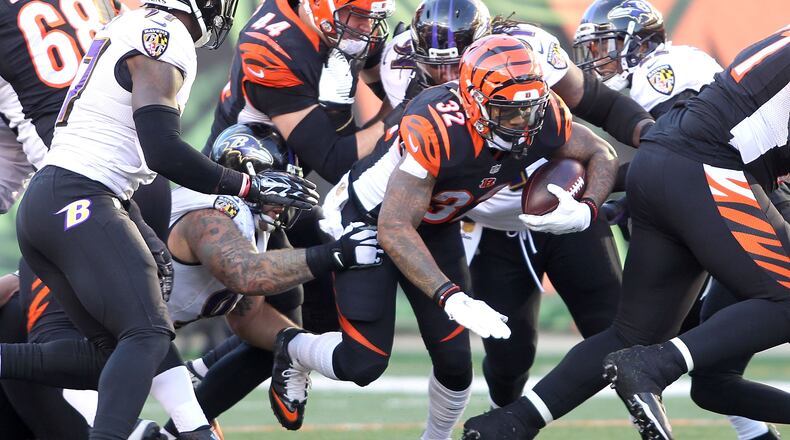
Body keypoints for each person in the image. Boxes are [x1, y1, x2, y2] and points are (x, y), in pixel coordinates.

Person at [268, 34, 618, 440]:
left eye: (530, 108)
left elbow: (600, 152)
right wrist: (451, 296)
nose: (524, 124)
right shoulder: (436, 126)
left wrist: (587, 208)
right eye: (509, 112)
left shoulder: (544, 113)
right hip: (366, 222)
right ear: (473, 103)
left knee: (455, 363)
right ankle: (293, 348)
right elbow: (394, 227)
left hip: (435, 223)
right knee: (363, 364)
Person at [3, 2, 319, 439]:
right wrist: (249, 186)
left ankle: (193, 431)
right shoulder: (163, 33)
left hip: (69, 198)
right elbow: (163, 150)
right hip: (81, 196)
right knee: (147, 333)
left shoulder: (131, 24)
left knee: (113, 351)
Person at [461, 25, 790, 440]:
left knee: (633, 333)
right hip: (708, 168)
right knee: (785, 299)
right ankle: (656, 365)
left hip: (666, 165)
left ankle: (510, 423)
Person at [377, 0, 656, 410]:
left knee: (613, 329)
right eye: (437, 67)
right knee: (509, 356)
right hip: (490, 220)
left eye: (459, 63)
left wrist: (655, 139)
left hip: (559, 202)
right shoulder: (404, 73)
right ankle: (504, 421)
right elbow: (392, 167)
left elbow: (597, 108)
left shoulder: (528, 52)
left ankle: (650, 419)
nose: (450, 77)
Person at [573, 1, 782, 438]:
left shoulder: (664, 70)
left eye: (608, 44)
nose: (599, 57)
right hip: (726, 188)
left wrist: (601, 189)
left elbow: (675, 153)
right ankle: (748, 429)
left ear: (639, 41)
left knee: (709, 345)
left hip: (734, 190)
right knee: (709, 361)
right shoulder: (661, 71)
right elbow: (675, 157)